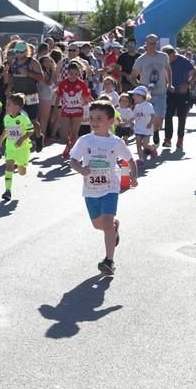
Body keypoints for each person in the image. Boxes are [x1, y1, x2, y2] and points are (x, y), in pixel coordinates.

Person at [69, 101, 138, 276]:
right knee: (98, 225)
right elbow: (73, 161)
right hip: (90, 190)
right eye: (91, 118)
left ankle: (109, 261)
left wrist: (133, 176)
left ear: (110, 121)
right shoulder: (85, 140)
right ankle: (114, 228)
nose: (94, 121)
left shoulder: (116, 142)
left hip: (110, 189)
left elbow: (130, 160)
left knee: (106, 223)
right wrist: (81, 169)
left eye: (99, 118)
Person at [131, 34, 171, 147]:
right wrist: (140, 89)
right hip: (147, 95)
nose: (152, 46)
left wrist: (170, 84)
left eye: (154, 43)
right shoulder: (141, 60)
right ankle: (149, 137)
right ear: (146, 44)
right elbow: (133, 77)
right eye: (150, 43)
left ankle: (156, 130)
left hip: (161, 92)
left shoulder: (163, 56)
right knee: (147, 116)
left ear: (157, 44)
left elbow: (168, 70)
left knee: (159, 117)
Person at [6, 40, 44, 150]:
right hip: (18, 95)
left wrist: (28, 73)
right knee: (17, 119)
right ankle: (20, 143)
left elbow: (41, 77)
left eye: (21, 51)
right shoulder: (13, 62)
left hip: (31, 95)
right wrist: (9, 88)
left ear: (26, 51)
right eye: (17, 51)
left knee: (32, 120)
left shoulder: (32, 62)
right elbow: (11, 77)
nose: (19, 54)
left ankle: (38, 136)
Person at [0, 93, 34, 201]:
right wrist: (0, 140)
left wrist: (21, 139)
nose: (6, 106)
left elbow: (30, 131)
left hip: (22, 149)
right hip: (10, 148)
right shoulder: (6, 118)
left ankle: (21, 165)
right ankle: (7, 191)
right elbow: (6, 130)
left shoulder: (23, 118)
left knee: (22, 172)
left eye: (9, 105)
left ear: (17, 107)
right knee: (8, 166)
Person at [56, 61, 91, 158]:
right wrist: (56, 109)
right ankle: (69, 145)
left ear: (79, 74)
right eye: (71, 74)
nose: (73, 76)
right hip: (66, 110)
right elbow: (58, 97)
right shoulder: (63, 83)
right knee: (63, 133)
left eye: (76, 74)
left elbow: (86, 96)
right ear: (67, 73)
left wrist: (87, 101)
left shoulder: (81, 83)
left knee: (74, 132)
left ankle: (69, 149)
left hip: (78, 110)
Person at [162, 45, 195, 149]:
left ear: (173, 54)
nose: (167, 60)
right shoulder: (164, 62)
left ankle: (180, 140)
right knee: (168, 115)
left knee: (182, 117)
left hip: (182, 93)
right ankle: (168, 139)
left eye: (168, 57)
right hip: (170, 92)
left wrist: (187, 84)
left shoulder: (183, 60)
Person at [131, 85, 156, 164]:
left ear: (140, 96)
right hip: (138, 128)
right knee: (138, 144)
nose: (133, 97)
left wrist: (150, 123)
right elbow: (133, 117)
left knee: (145, 144)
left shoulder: (148, 106)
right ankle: (141, 159)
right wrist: (127, 123)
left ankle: (152, 148)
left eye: (134, 95)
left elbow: (152, 116)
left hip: (146, 129)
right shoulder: (137, 106)